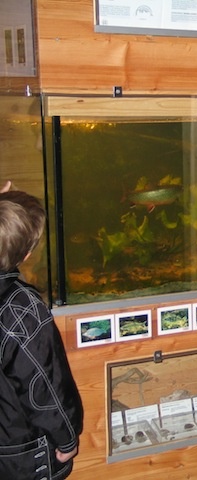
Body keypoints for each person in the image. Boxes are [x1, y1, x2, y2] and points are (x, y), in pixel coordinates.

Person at [0, 190, 84, 480]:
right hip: (22, 455)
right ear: (26, 254)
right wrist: (67, 439)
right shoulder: (22, 309)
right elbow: (45, 385)